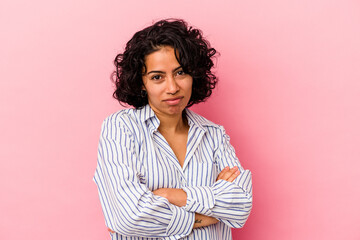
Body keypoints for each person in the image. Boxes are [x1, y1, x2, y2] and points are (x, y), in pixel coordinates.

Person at [93, 19, 252, 239]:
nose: (173, 87)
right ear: (141, 83)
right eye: (157, 77)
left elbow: (241, 204)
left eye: (180, 73)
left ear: (193, 74)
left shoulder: (214, 134)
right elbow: (130, 217)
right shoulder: (121, 128)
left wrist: (172, 195)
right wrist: (209, 215)